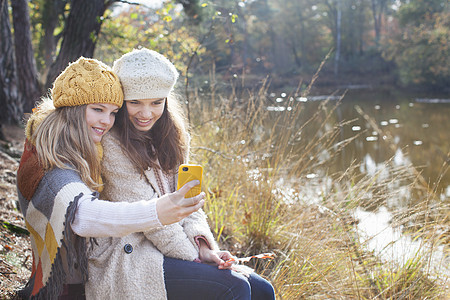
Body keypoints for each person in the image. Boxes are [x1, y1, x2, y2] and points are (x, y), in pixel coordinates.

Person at [85, 48, 276, 299]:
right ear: (121, 102)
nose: (146, 113)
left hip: (173, 244)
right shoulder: (111, 144)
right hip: (130, 252)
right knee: (235, 286)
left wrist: (205, 247)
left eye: (156, 102)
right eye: (135, 102)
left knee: (262, 288)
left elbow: (189, 204)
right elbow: (149, 217)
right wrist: (196, 259)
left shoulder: (173, 137)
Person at [16, 57, 205, 299]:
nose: (107, 122)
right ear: (72, 107)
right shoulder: (50, 158)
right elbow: (82, 216)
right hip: (65, 286)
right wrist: (156, 212)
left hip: (90, 267)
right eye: (98, 109)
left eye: (113, 112)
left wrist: (202, 245)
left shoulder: (88, 148)